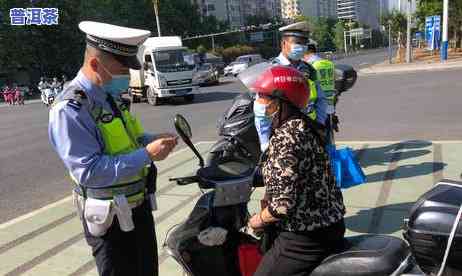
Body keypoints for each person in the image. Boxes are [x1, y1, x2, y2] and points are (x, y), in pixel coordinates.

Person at [48, 21, 178, 276]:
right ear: (95, 65)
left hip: (136, 209)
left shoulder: (110, 96)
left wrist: (152, 140)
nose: (127, 77)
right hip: (108, 221)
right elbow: (89, 171)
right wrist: (147, 154)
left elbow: (130, 139)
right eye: (122, 69)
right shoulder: (70, 110)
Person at [240, 64, 346, 276]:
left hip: (306, 235)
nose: (257, 102)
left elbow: (282, 206)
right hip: (328, 223)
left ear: (280, 102)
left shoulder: (287, 137)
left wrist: (256, 220)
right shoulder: (301, 125)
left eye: (263, 96)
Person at [272, 21, 329, 126]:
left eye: (304, 43)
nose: (302, 47)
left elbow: (320, 99)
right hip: (283, 133)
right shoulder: (273, 70)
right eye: (298, 42)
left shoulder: (309, 69)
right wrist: (265, 141)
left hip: (309, 129)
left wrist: (320, 125)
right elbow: (262, 109)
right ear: (283, 44)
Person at [304, 42, 336, 116]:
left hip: (316, 108)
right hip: (330, 106)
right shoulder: (329, 64)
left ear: (306, 52)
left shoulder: (310, 66)